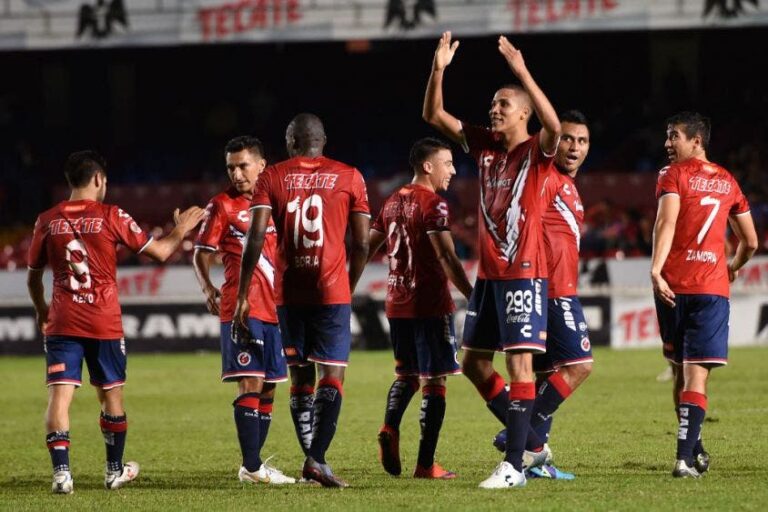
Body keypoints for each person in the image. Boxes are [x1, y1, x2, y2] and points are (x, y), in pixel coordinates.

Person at [423, 31, 561, 488]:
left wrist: (522, 72)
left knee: (520, 367)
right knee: (474, 364)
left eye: (504, 103)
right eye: (493, 103)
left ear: (524, 113)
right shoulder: (484, 145)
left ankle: (514, 466)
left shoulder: (536, 151)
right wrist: (438, 69)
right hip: (489, 277)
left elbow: (555, 127)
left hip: (523, 273)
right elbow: (433, 115)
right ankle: (533, 443)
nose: (494, 109)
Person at [26, 150, 205, 494]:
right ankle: (113, 471)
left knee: (59, 397)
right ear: (98, 179)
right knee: (111, 397)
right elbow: (162, 252)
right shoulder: (110, 215)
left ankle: (62, 475)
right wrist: (181, 229)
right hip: (102, 321)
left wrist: (41, 310)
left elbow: (33, 278)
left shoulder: (47, 220)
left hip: (63, 320)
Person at [235, 113, 370, 487]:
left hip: (288, 292)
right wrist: (348, 284)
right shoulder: (349, 175)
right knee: (333, 373)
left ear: (290, 142)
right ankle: (317, 459)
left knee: (300, 375)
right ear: (323, 140)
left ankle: (311, 456)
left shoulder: (271, 177)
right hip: (331, 290)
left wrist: (243, 293)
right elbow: (361, 243)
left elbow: (255, 237)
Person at [651, 112, 758, 478]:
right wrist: (733, 266)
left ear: (696, 141)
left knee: (680, 372)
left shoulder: (671, 175)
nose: (667, 143)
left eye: (674, 136)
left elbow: (666, 222)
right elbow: (751, 241)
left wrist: (656, 269)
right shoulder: (728, 181)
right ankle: (687, 454)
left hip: (673, 286)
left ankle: (689, 450)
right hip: (711, 288)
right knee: (694, 376)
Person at [492, 110, 593, 480]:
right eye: (567, 139)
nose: (574, 147)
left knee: (547, 373)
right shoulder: (546, 177)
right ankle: (517, 435)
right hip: (549, 289)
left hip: (555, 287)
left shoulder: (569, 186)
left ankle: (534, 461)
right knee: (580, 365)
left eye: (582, 141)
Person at [368, 138, 472, 480]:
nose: (452, 170)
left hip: (397, 302)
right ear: (428, 166)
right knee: (435, 379)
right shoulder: (434, 204)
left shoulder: (391, 202)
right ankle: (426, 464)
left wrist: (343, 281)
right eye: (448, 163)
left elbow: (366, 247)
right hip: (430, 303)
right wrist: (473, 296)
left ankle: (389, 426)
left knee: (406, 375)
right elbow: (446, 256)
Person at [193, 136, 294, 485]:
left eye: (243, 166)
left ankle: (254, 465)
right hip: (243, 307)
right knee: (250, 381)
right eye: (231, 168)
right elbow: (201, 252)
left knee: (270, 387)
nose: (236, 174)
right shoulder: (221, 206)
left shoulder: (278, 204)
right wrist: (208, 287)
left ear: (262, 166)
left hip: (276, 310)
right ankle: (252, 466)